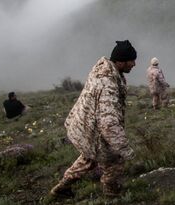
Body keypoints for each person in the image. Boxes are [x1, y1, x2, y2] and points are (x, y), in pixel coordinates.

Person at [50, 40, 137, 198]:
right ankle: (112, 195)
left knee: (88, 159)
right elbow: (108, 124)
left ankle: (62, 187)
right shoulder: (108, 85)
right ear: (120, 61)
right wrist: (125, 149)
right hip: (95, 131)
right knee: (114, 162)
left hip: (86, 127)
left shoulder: (103, 71)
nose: (134, 64)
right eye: (131, 60)